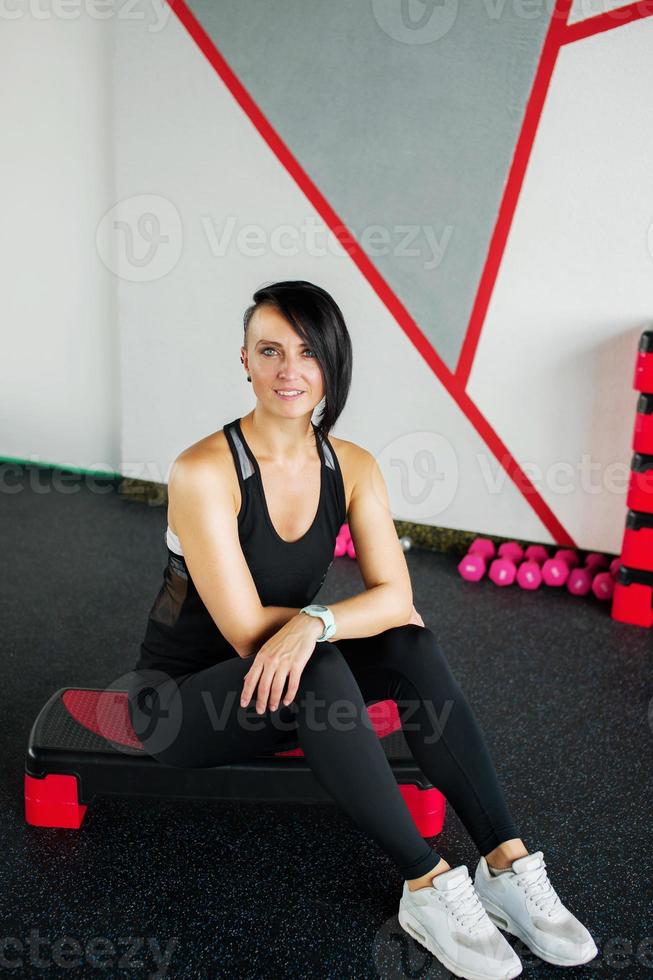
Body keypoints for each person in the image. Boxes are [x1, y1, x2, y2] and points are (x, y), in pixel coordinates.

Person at [127, 280, 597, 979]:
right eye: (270, 351)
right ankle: (426, 884)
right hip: (183, 702)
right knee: (317, 662)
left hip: (289, 671)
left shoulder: (352, 466)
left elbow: (399, 601)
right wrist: (338, 625)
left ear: (332, 363)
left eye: (308, 353)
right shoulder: (204, 471)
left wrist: (322, 620)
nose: (290, 370)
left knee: (410, 646)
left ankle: (504, 861)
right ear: (245, 362)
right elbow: (246, 632)